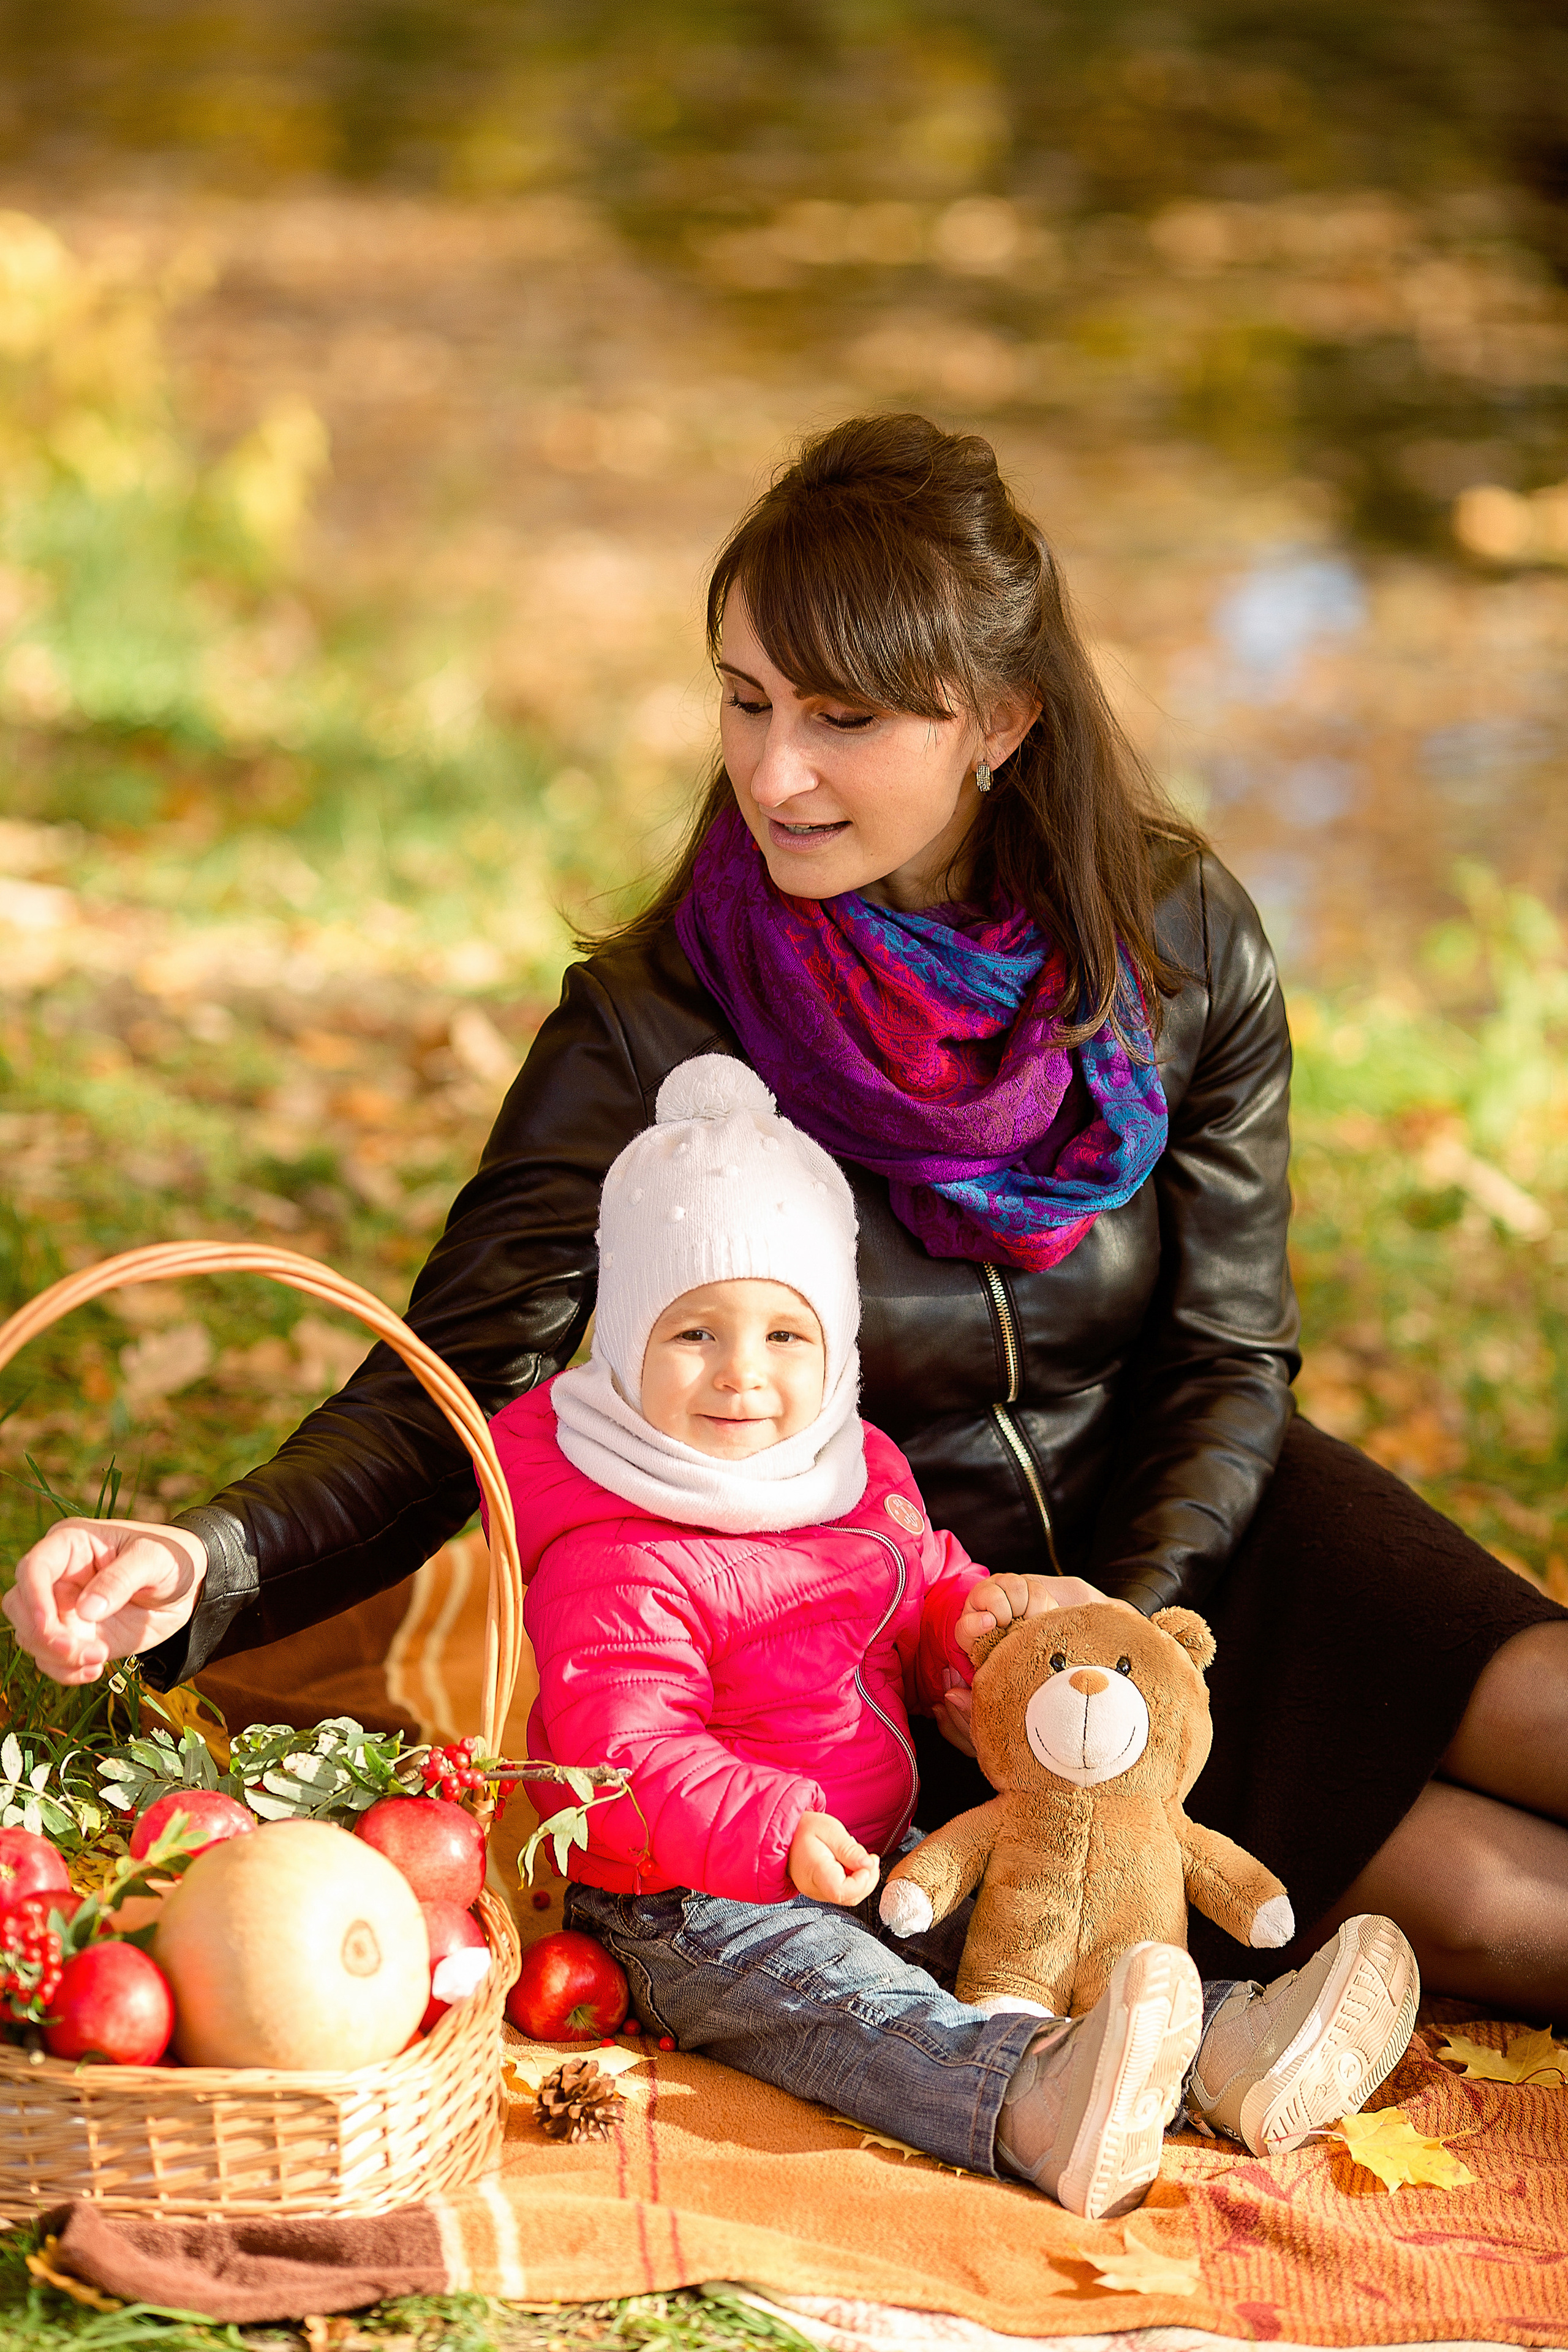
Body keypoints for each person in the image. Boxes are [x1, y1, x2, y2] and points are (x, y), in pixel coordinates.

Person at [6, 412, 1567, 2015]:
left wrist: (1138, 1614)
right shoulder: (649, 1025)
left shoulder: (1175, 942)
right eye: (745, 701)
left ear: (1002, 722)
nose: (774, 769)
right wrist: (208, 1557)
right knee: (1514, 1916)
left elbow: (1231, 1350)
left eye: (845, 717)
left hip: (1196, 1543)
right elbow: (446, 1396)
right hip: (899, 1646)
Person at [501, 1052, 1415, 2211]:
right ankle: (1027, 2098)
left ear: (833, 1343)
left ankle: (1229, 2045)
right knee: (833, 1987)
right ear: (626, 1341)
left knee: (1013, 1913)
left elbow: (916, 1582)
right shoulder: (617, 1548)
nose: (743, 1376)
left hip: (861, 1845)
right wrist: (773, 1828)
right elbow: (614, 1755)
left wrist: (962, 1624)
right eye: (695, 1335)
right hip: (680, 1897)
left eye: (786, 1336)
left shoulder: (850, 1471)